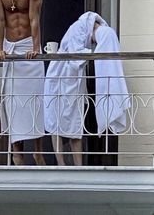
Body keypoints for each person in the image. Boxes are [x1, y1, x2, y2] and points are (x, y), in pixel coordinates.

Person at [44, 11, 130, 166]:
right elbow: (75, 56)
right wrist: (92, 54)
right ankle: (61, 164)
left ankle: (78, 165)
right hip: (59, 76)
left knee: (75, 123)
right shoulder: (78, 28)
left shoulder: (91, 30)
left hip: (74, 81)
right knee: (55, 121)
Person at [0, 0, 46, 165]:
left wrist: (35, 47)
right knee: (13, 101)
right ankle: (17, 153)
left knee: (35, 99)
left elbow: (34, 18)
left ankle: (38, 152)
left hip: (28, 44)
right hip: (10, 47)